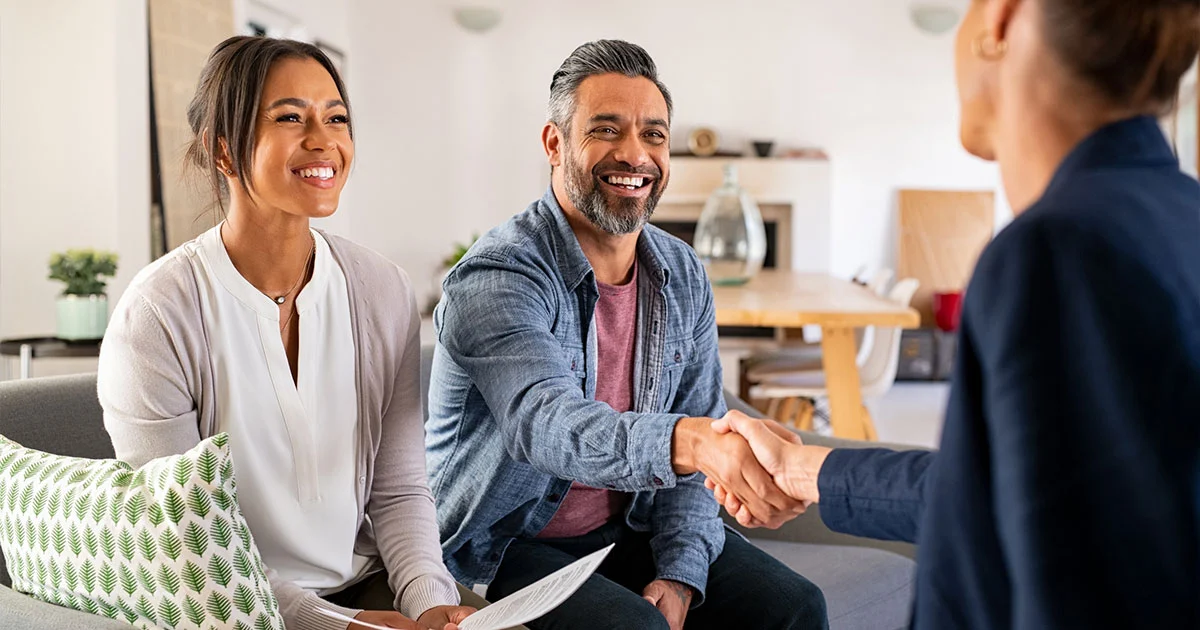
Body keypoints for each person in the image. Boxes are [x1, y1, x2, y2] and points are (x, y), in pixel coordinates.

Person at [707, 0, 1200, 628]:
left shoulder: (1059, 250)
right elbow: (1006, 494)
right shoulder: (1180, 219)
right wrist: (803, 469)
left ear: (1001, 16)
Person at [426, 40, 825, 629]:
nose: (634, 155)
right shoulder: (499, 276)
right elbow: (548, 425)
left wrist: (681, 572)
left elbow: (701, 423)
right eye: (606, 130)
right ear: (554, 142)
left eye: (654, 135)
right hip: (505, 544)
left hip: (627, 526)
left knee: (795, 607)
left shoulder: (682, 272)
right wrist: (692, 443)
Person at [98, 36, 477, 630]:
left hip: (365, 584)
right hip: (225, 606)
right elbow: (185, 543)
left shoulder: (383, 290)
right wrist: (341, 626)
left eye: (336, 118)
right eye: (290, 118)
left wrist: (429, 602)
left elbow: (400, 489)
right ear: (223, 150)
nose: (323, 139)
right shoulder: (158, 314)